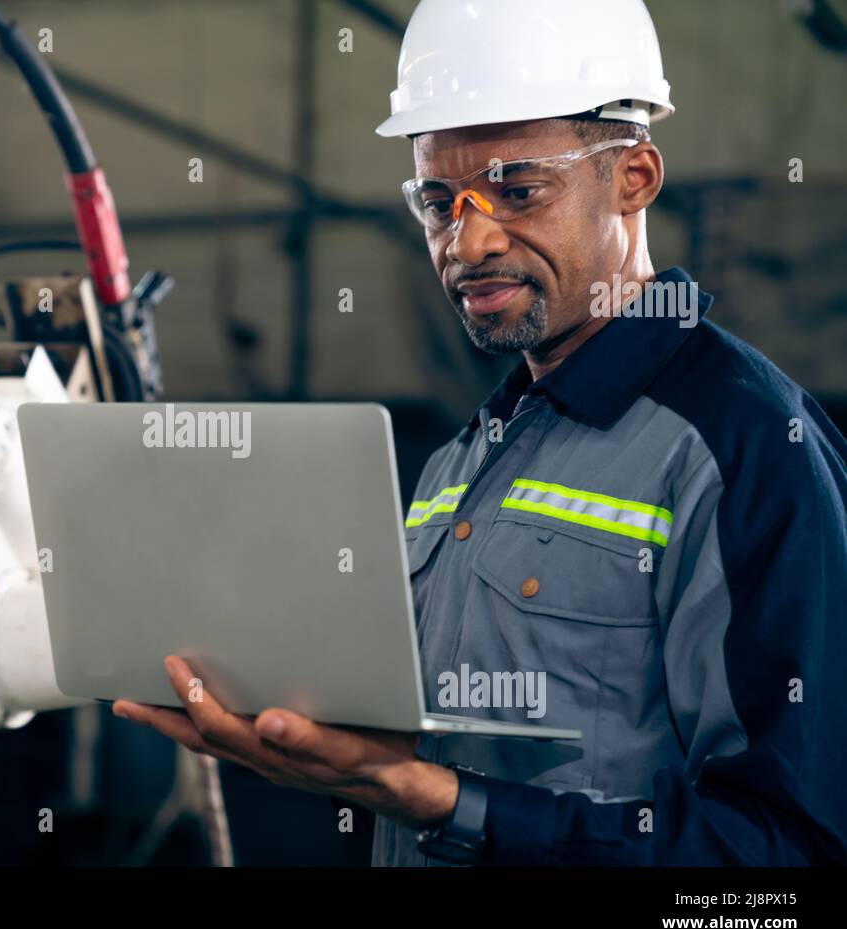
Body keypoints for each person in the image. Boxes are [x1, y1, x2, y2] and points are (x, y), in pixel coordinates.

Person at [114, 0, 847, 865]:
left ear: (635, 177)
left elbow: (783, 870)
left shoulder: (747, 446)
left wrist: (452, 803)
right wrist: (305, 740)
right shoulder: (465, 459)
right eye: (436, 200)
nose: (467, 240)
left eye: (517, 190)